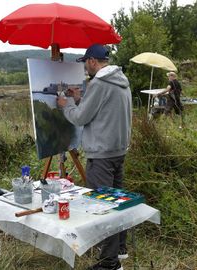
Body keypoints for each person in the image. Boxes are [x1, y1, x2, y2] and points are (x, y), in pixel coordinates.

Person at [57, 44, 132, 270]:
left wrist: (66, 104)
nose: (85, 68)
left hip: (101, 156)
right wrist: (81, 99)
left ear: (92, 61)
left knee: (103, 208)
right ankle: (119, 249)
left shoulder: (99, 83)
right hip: (118, 152)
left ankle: (109, 264)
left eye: (85, 63)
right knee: (116, 204)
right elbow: (102, 113)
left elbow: (80, 118)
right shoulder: (120, 80)